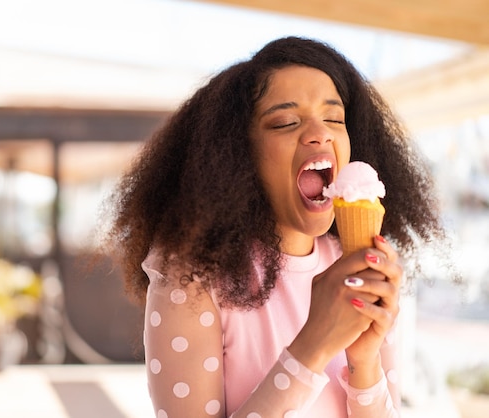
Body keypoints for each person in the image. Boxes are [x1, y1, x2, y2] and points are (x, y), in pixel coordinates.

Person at [104, 36, 449, 418]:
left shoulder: (359, 264)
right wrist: (313, 346)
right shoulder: (192, 276)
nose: (321, 133)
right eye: (285, 121)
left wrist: (365, 363)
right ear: (237, 154)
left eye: (335, 118)